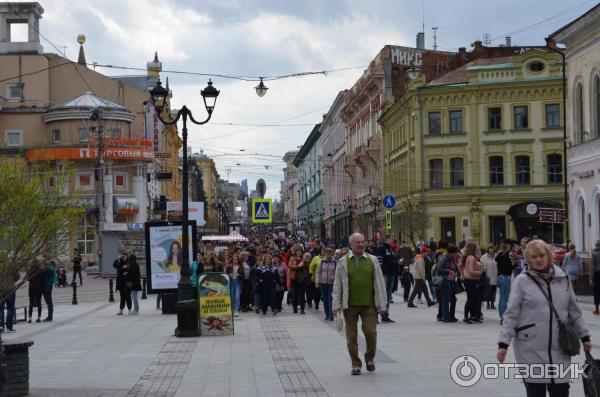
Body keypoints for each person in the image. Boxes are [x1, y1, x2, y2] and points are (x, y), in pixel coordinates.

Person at [497, 239, 591, 397]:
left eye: (541, 255)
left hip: (560, 346)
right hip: (530, 347)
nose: (538, 260)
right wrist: (503, 344)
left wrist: (585, 336)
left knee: (561, 391)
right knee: (535, 392)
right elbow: (511, 314)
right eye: (533, 257)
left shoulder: (563, 278)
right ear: (527, 259)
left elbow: (574, 311)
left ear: (548, 256)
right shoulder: (522, 281)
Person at [332, 233, 387, 376]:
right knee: (351, 337)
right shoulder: (343, 262)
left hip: (369, 304)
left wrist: (382, 304)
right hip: (349, 306)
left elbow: (380, 283)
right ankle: (356, 364)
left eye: (362, 242)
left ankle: (369, 358)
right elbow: (337, 286)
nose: (361, 244)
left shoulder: (372, 260)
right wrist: (336, 305)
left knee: (371, 332)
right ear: (351, 245)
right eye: (358, 242)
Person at [459, 241, 483, 324]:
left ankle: (471, 316)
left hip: (468, 280)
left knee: (471, 298)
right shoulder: (471, 258)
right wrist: (480, 272)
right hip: (471, 280)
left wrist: (462, 275)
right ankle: (466, 317)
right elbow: (471, 271)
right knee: (470, 299)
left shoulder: (466, 256)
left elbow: (460, 266)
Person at [376, 235, 397, 322]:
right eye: (391, 239)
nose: (392, 241)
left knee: (388, 296)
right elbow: (379, 261)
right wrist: (381, 272)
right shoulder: (381, 249)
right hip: (384, 275)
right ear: (387, 239)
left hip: (391, 274)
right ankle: (376, 315)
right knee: (381, 295)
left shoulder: (390, 249)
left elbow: (392, 259)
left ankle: (385, 314)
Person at [436, 245, 459, 322]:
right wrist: (448, 271)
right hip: (445, 279)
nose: (456, 254)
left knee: (452, 298)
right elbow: (439, 268)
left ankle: (450, 316)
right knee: (446, 299)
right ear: (451, 252)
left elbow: (454, 266)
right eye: (455, 252)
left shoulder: (451, 257)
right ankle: (446, 317)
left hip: (451, 279)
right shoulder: (444, 258)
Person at [316, 247, 336, 321]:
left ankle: (331, 314)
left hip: (332, 284)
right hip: (323, 283)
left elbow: (337, 273)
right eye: (327, 253)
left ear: (332, 254)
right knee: (325, 299)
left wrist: (333, 277)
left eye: (330, 253)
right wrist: (317, 281)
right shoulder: (322, 262)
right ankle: (327, 314)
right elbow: (318, 272)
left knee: (331, 299)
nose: (328, 254)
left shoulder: (335, 262)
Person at [496, 242, 513, 324]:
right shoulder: (507, 256)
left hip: (500, 277)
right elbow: (509, 268)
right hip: (505, 277)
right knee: (505, 298)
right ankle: (503, 317)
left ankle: (501, 316)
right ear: (507, 248)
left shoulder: (499, 256)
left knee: (501, 297)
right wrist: (514, 265)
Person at [288, 248, 308, 314]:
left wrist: (305, 263)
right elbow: (290, 266)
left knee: (302, 294)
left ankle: (302, 309)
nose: (299, 253)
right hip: (294, 278)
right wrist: (298, 266)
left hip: (302, 279)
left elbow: (307, 267)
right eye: (298, 251)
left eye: (300, 251)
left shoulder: (304, 259)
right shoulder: (292, 258)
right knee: (294, 294)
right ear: (296, 252)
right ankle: (295, 308)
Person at [0, 266, 19, 333]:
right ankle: (9, 327)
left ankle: (1, 326)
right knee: (10, 309)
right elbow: (17, 277)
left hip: (1, 290)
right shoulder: (11, 266)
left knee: (0, 309)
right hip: (10, 289)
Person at [480, 244, 498, 310]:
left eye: (492, 248)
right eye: (490, 248)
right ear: (488, 249)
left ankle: (492, 303)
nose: (491, 250)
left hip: (495, 276)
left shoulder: (496, 256)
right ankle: (488, 303)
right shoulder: (484, 257)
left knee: (494, 291)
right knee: (488, 291)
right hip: (488, 276)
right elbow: (481, 266)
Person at [41, 258, 57, 322]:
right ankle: (50, 316)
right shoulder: (52, 267)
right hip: (50, 285)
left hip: (46, 285)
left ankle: (50, 317)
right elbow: (55, 278)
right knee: (49, 301)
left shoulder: (46, 268)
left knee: (48, 301)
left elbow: (42, 276)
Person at [592, 240, 600, 315]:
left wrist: (591, 278)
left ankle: (597, 309)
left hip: (597, 274)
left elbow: (593, 267)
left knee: (596, 291)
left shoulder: (594, 254)